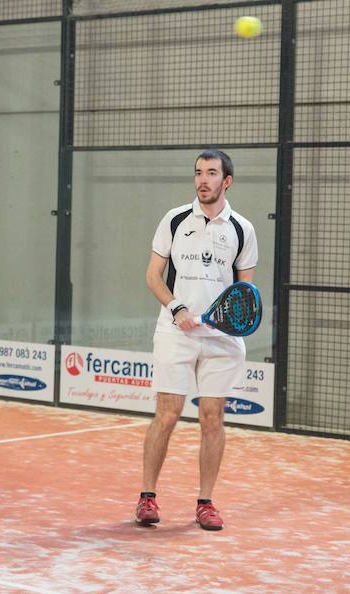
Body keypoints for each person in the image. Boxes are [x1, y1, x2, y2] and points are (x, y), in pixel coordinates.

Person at [136, 149, 258, 530]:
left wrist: (225, 324)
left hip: (220, 342)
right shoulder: (174, 220)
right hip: (176, 334)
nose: (202, 180)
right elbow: (154, 276)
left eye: (211, 173)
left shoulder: (243, 229)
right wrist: (177, 309)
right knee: (168, 413)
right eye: (198, 173)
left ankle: (205, 502)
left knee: (212, 419)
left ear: (227, 181)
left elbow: (243, 292)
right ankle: (147, 498)